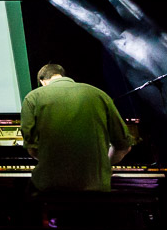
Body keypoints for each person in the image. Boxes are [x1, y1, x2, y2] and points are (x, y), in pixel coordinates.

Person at [20, 63, 132, 193]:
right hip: (96, 189)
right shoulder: (99, 94)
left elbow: (31, 148)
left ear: (42, 82)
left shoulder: (33, 97)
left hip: (51, 188)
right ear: (62, 76)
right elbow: (124, 146)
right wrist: (102, 166)